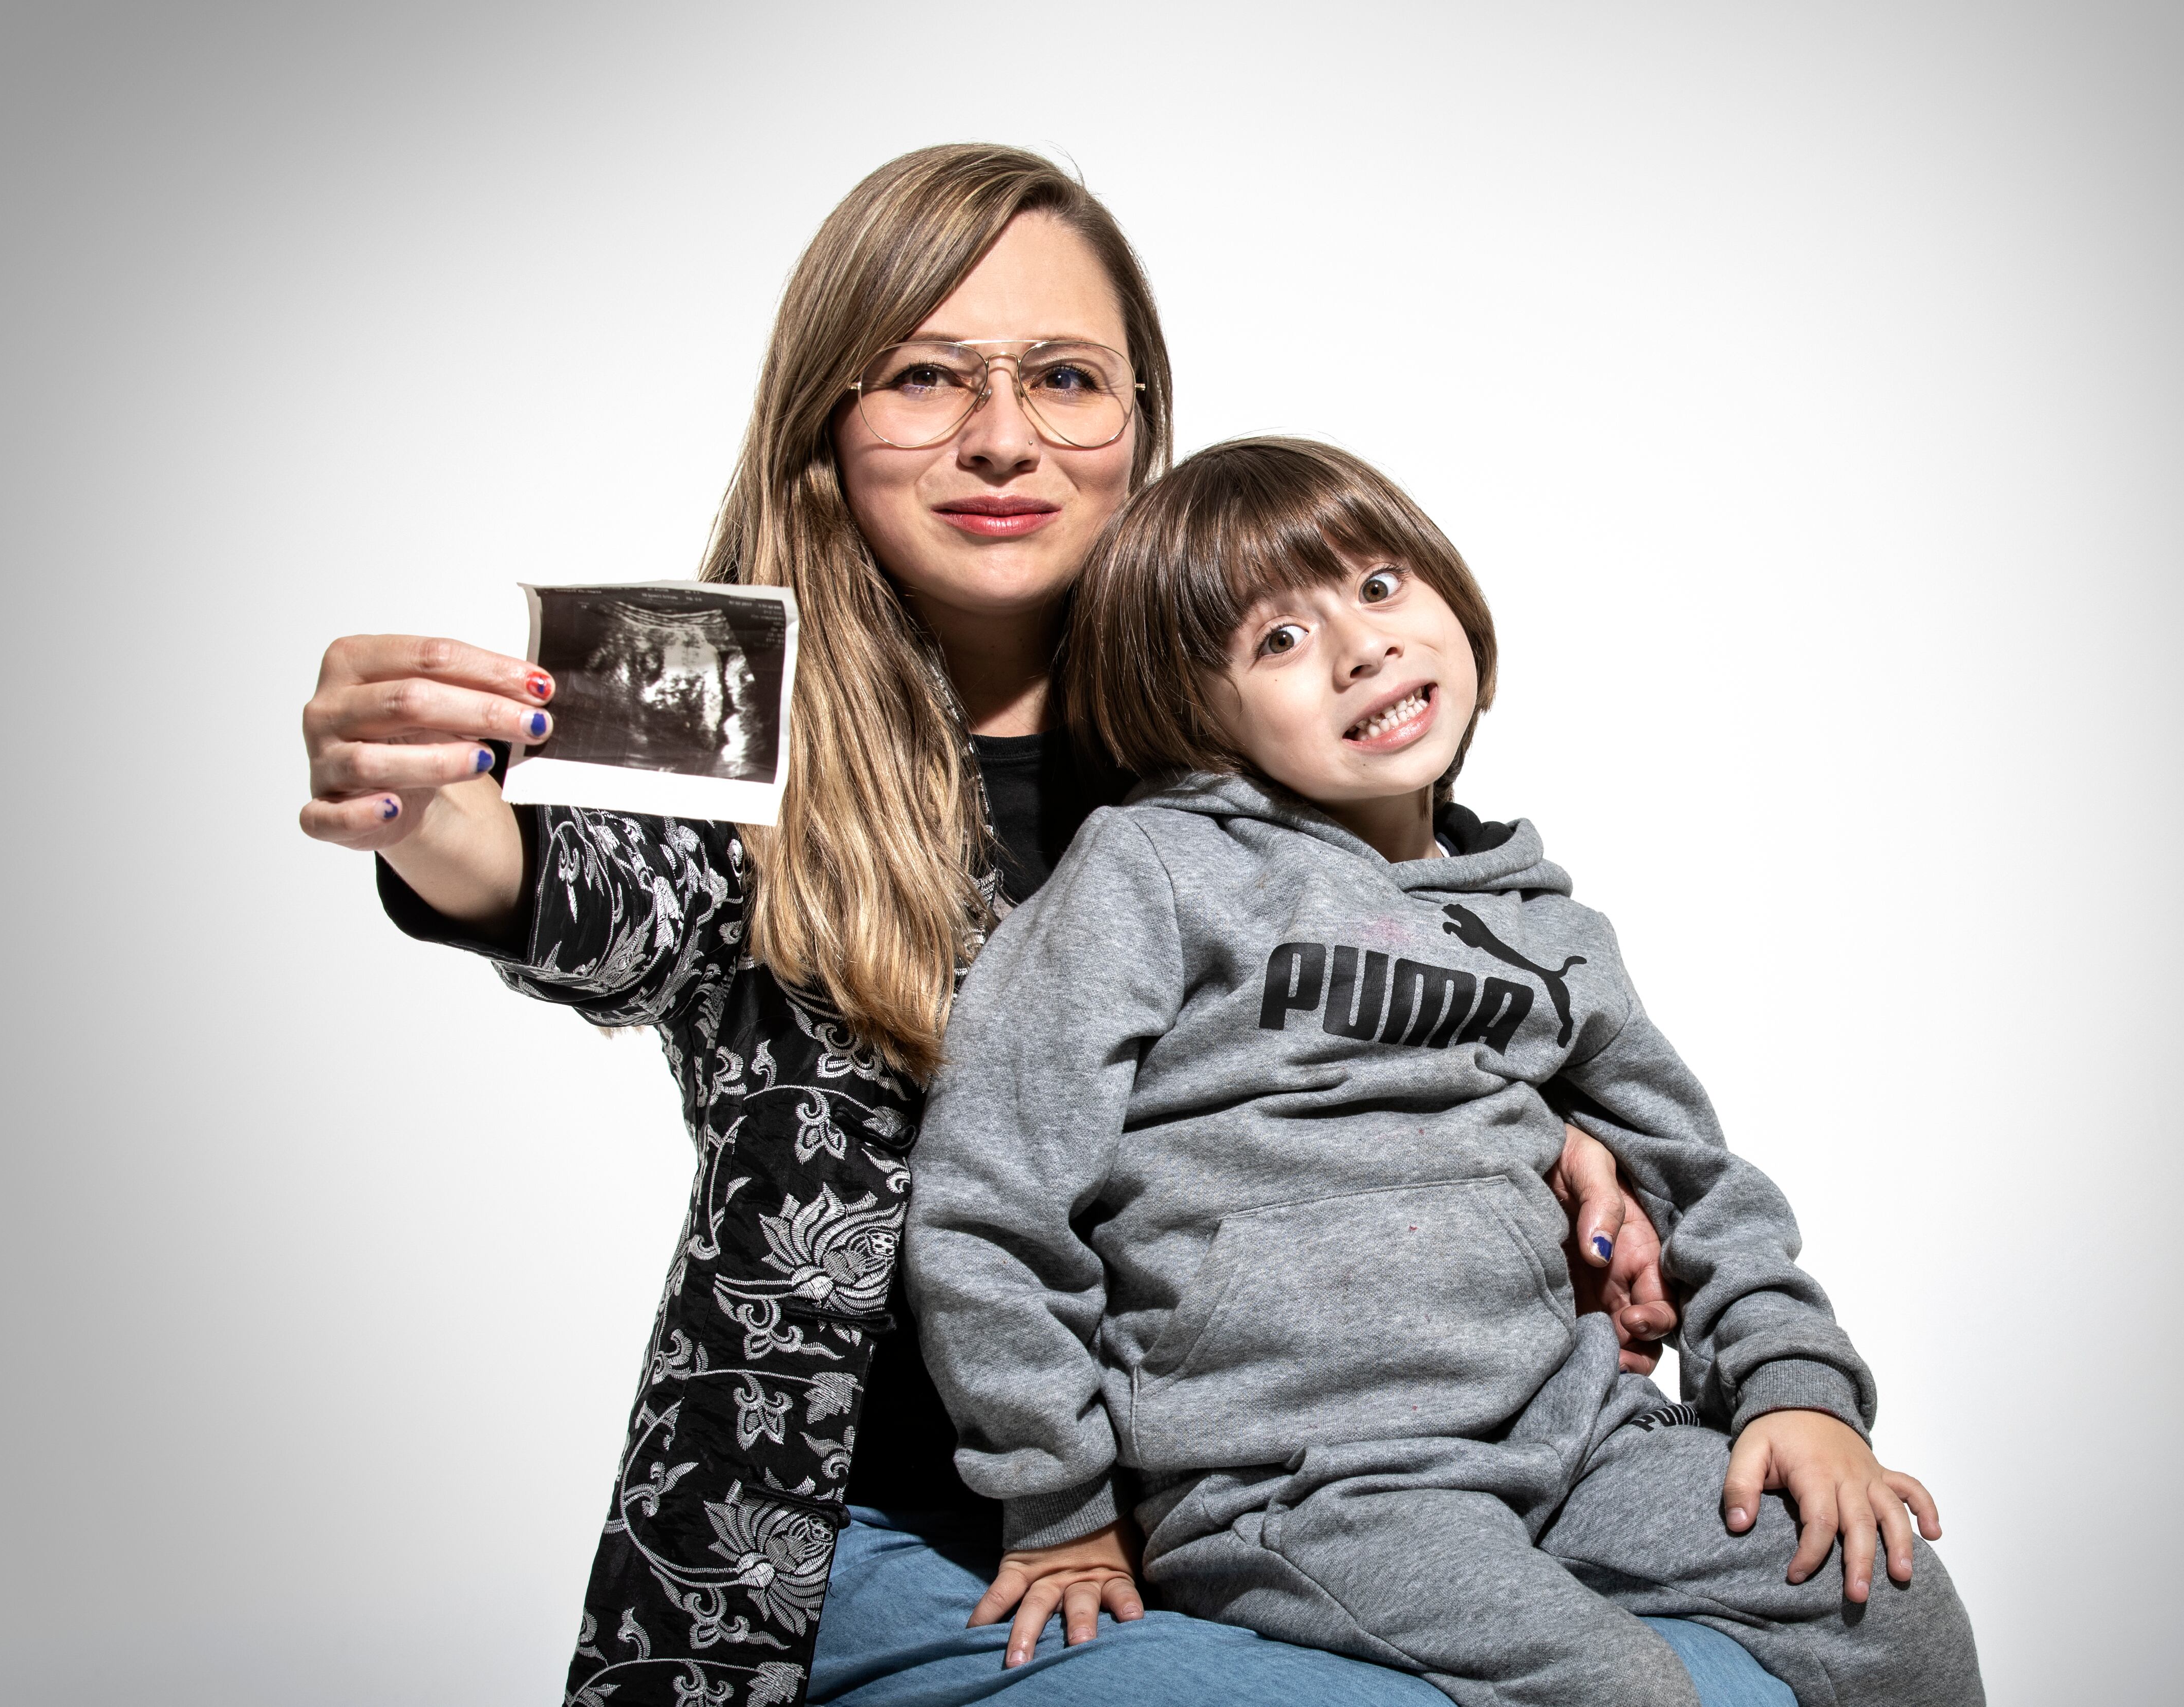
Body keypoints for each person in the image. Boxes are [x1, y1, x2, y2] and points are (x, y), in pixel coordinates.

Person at [295, 145, 1787, 1705]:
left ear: (1140, 419)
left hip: (1330, 1490)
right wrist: (436, 817)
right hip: (904, 1538)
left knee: (1784, 1668)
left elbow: (1460, 970)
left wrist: (1551, 1131)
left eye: (1065, 376)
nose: (1003, 437)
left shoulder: (1251, 709)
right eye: (929, 377)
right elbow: (591, 893)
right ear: (829, 417)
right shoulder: (740, 726)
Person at [905, 439, 1985, 1706]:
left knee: (1889, 1604)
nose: (1361, 648)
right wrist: (1058, 1500)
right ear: (1197, 717)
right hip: (1306, 1478)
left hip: (1577, 1433)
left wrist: (1798, 1393)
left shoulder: (1545, 925)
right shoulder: (1151, 871)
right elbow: (994, 1188)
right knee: (1618, 1691)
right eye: (1277, 643)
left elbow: (1695, 1174)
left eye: (1375, 585)